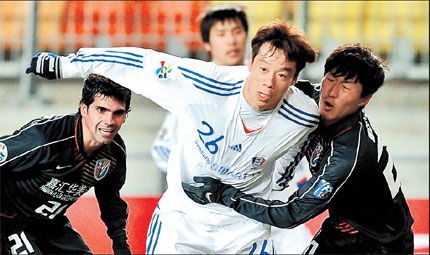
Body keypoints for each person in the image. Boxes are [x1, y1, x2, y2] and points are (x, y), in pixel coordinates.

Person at [25, 19, 319, 254]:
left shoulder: (306, 113)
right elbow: (141, 63)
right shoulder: (205, 83)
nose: (268, 82)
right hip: (183, 223)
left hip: (246, 231)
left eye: (282, 74)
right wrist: (68, 65)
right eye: (263, 68)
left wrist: (278, 182)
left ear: (293, 80)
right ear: (250, 63)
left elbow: (316, 128)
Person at [182, 43, 415, 254]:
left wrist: (224, 194)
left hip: (381, 244)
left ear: (364, 99)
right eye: (331, 78)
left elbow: (291, 213)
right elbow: (268, 86)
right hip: (342, 228)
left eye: (346, 87)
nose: (331, 92)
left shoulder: (348, 153)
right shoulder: (308, 99)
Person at [0, 74, 132, 254]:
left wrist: (120, 242)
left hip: (51, 224)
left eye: (118, 112)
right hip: (9, 219)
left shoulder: (114, 153)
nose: (109, 122)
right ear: (84, 109)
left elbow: (110, 199)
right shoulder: (46, 138)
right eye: (101, 110)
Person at [151, 3, 248, 180]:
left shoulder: (262, 81)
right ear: (206, 43)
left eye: (237, 31)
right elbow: (163, 149)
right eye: (221, 34)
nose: (231, 40)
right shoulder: (193, 83)